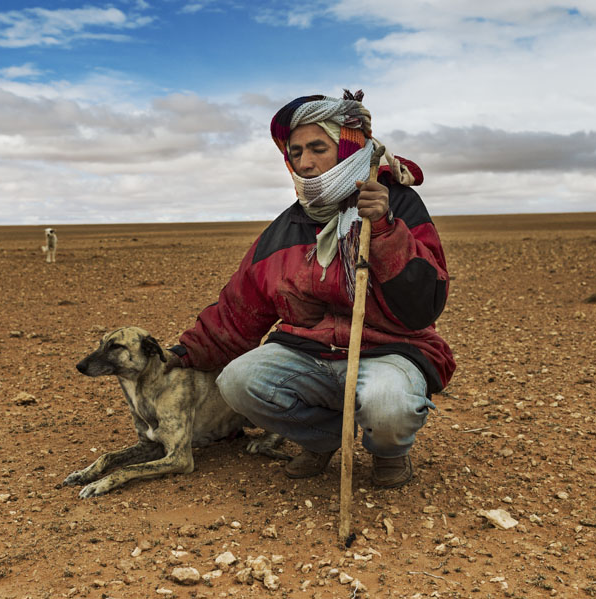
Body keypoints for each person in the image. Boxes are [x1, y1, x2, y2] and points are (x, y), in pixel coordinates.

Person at [166, 90, 455, 488]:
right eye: (296, 151)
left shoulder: (397, 204)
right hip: (308, 351)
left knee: (388, 404)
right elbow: (240, 309)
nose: (305, 162)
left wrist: (385, 228)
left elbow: (424, 304)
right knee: (238, 381)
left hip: (388, 349)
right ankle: (322, 438)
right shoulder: (289, 225)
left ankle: (389, 451)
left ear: (347, 147)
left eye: (318, 147)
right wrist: (185, 353)